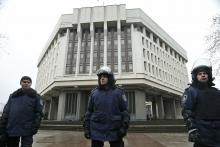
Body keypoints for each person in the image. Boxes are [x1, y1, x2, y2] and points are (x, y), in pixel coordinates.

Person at [83, 66, 130, 147]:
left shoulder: (119, 92)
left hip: (115, 130)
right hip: (97, 129)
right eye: (101, 77)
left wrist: (124, 128)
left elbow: (124, 111)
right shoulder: (94, 93)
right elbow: (89, 112)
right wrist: (86, 128)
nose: (102, 78)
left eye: (104, 76)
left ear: (110, 77)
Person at [181, 58, 220, 147]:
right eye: (200, 74)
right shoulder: (191, 91)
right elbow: (187, 111)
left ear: (209, 75)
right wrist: (192, 128)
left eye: (205, 73)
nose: (203, 75)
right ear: (195, 76)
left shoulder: (217, 92)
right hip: (202, 132)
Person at [0, 76, 43, 147]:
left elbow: (39, 113)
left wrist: (35, 126)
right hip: (12, 127)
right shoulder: (13, 96)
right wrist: (2, 126)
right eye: (24, 82)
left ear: (31, 84)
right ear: (21, 83)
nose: (26, 83)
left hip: (28, 128)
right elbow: (6, 112)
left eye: (28, 82)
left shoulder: (36, 96)